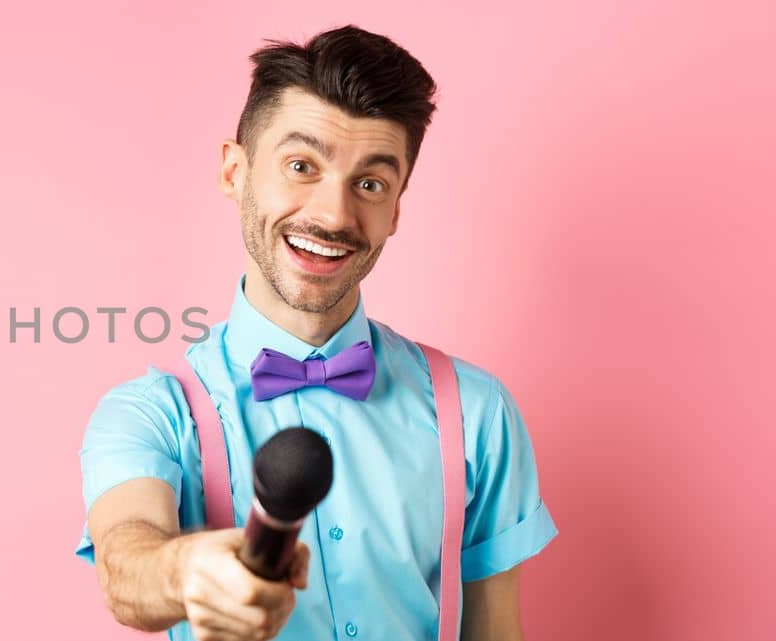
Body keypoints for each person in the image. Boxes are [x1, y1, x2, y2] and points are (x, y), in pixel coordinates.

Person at [74, 25, 557, 641]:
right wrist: (185, 570)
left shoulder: (479, 411)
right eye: (301, 166)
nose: (333, 215)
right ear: (234, 171)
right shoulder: (148, 413)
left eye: (371, 183)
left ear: (397, 208)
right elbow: (126, 566)